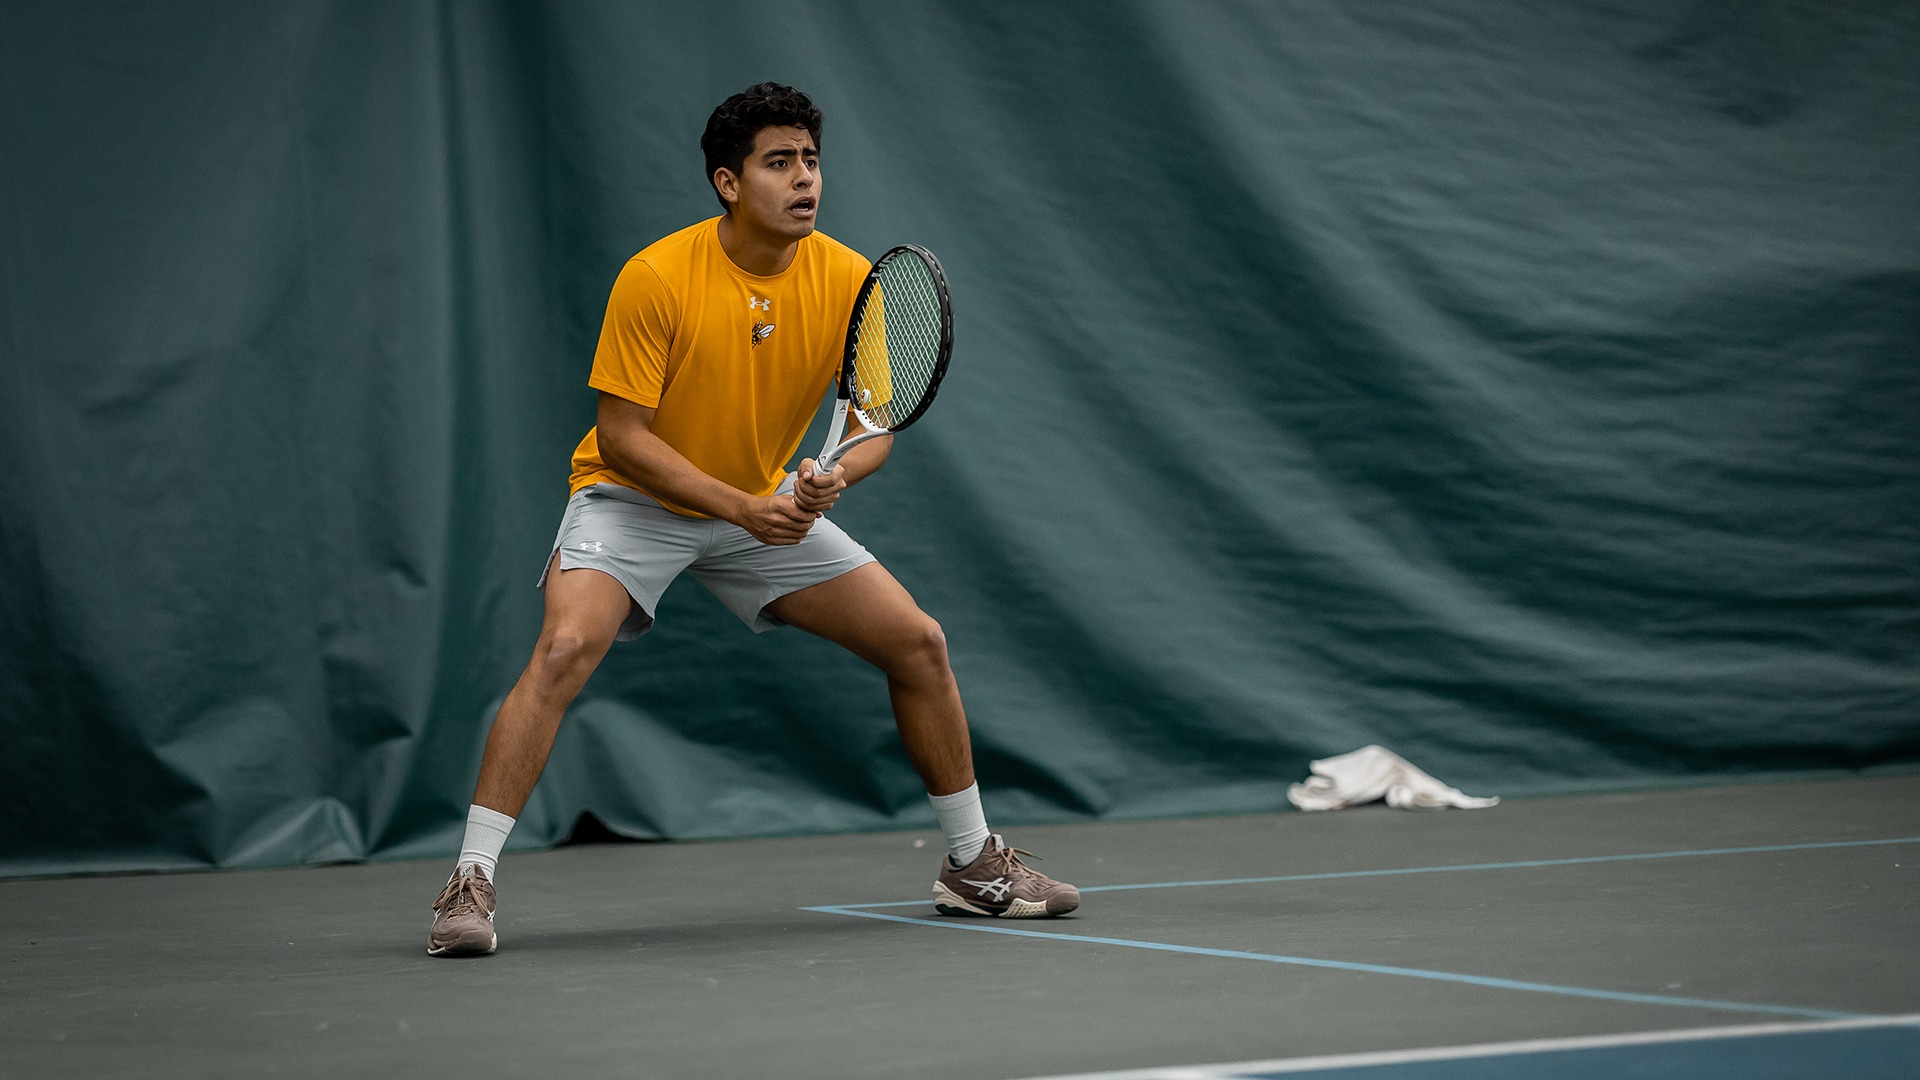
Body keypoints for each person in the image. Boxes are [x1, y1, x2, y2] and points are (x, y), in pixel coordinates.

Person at [427, 82, 1079, 957]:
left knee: (917, 641)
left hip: (763, 506)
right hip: (634, 504)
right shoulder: (657, 276)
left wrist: (826, 479)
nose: (804, 178)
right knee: (562, 651)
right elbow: (621, 437)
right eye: (779, 163)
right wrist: (743, 505)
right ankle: (468, 886)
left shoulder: (852, 279)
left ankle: (972, 865)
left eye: (811, 160)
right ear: (729, 183)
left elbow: (872, 426)